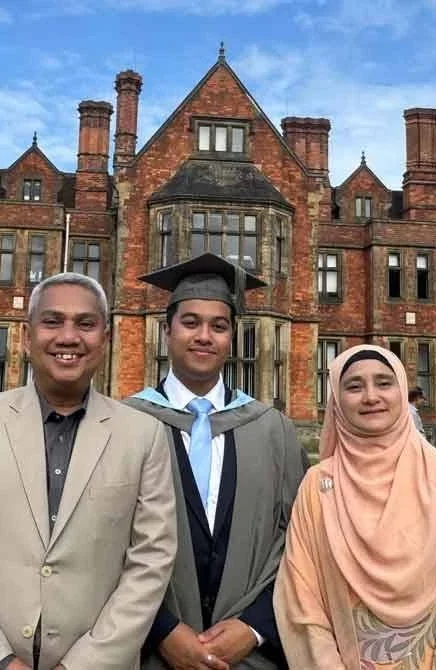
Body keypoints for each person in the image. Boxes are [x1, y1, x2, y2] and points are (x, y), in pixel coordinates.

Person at [0, 272, 178, 670]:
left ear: (105, 340)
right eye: (52, 321)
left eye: (86, 324)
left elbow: (151, 561)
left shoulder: (143, 435)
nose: (68, 337)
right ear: (26, 336)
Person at [126, 253, 309, 670]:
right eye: (190, 322)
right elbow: (96, 547)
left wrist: (257, 626)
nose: (204, 335)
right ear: (166, 330)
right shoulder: (124, 425)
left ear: (232, 338)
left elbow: (304, 544)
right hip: (147, 652)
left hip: (251, 656)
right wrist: (162, 631)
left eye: (219, 325)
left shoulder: (273, 432)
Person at [273, 345, 436, 669]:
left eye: (384, 383)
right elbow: (301, 596)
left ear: (402, 391)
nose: (370, 396)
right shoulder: (317, 485)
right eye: (353, 386)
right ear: (336, 399)